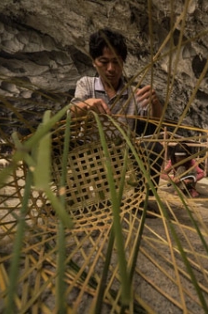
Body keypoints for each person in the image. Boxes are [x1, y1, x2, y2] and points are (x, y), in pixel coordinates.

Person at [71, 28, 166, 205]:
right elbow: (71, 113)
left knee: (154, 145)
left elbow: (155, 126)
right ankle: (72, 195)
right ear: (94, 62)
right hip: (91, 151)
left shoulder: (134, 93)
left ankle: (139, 199)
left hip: (123, 154)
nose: (111, 69)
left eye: (116, 62)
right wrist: (87, 105)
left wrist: (155, 103)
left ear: (123, 62)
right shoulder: (86, 84)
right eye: (104, 62)